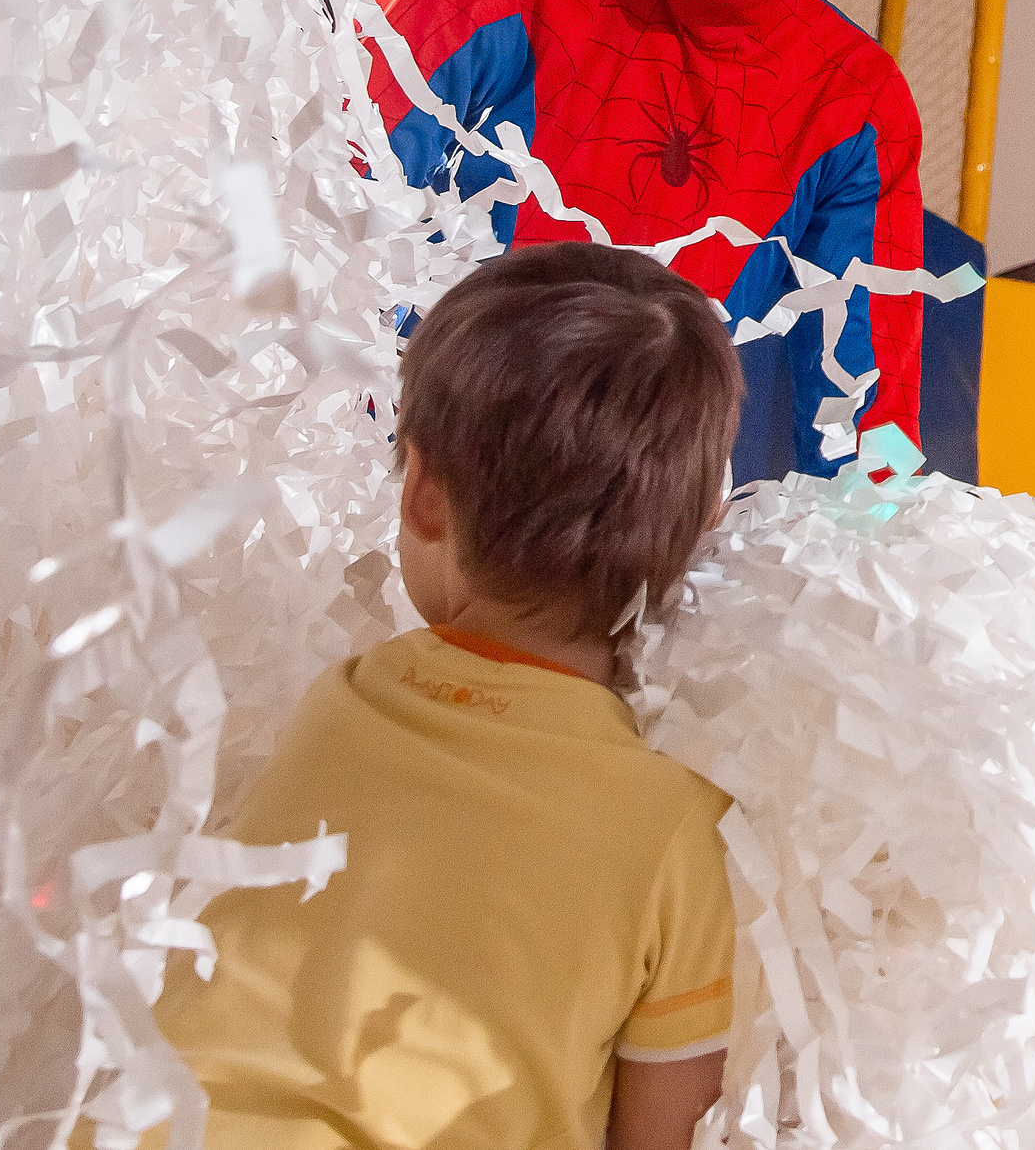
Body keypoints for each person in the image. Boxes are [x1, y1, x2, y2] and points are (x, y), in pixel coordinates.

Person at [148, 242, 745, 1150]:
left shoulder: (345, 698)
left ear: (422, 489)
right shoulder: (679, 829)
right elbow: (667, 1135)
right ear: (706, 527)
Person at [362, 0, 923, 479]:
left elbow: (873, 416)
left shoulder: (854, 104)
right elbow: (319, 214)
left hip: (631, 512)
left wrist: (876, 555)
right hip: (417, 465)